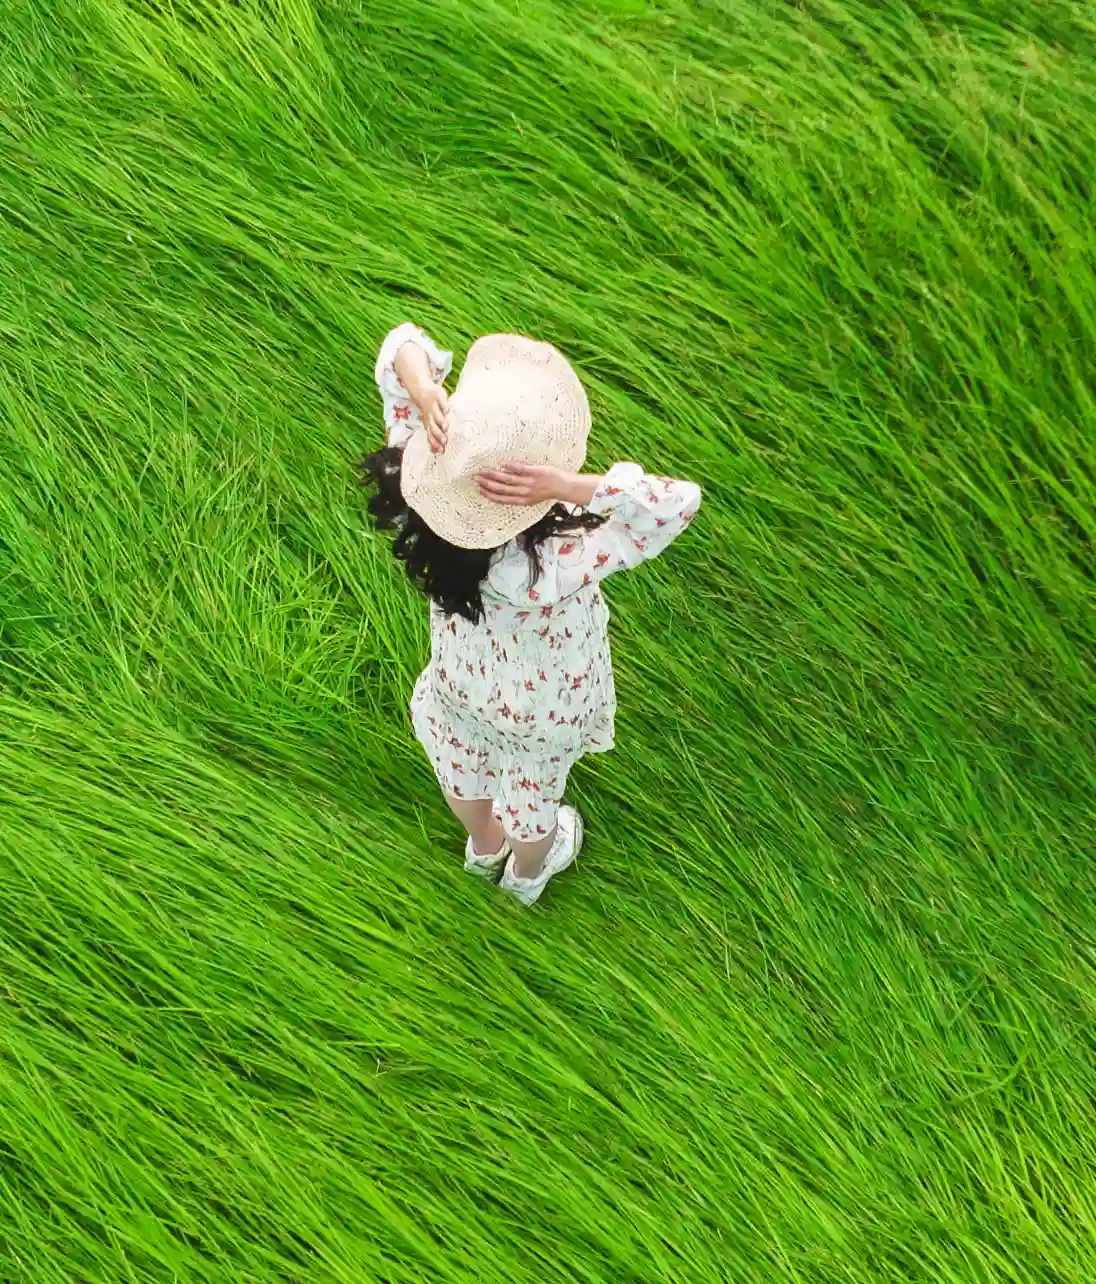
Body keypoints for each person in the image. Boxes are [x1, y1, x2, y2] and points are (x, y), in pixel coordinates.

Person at [360, 322, 701, 905]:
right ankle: (525, 877)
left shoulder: (413, 502)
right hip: (545, 707)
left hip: (461, 680)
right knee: (533, 795)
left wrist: (423, 393)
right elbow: (677, 503)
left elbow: (401, 347)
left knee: (459, 759)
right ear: (528, 481)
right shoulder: (556, 556)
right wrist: (570, 484)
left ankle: (483, 848)